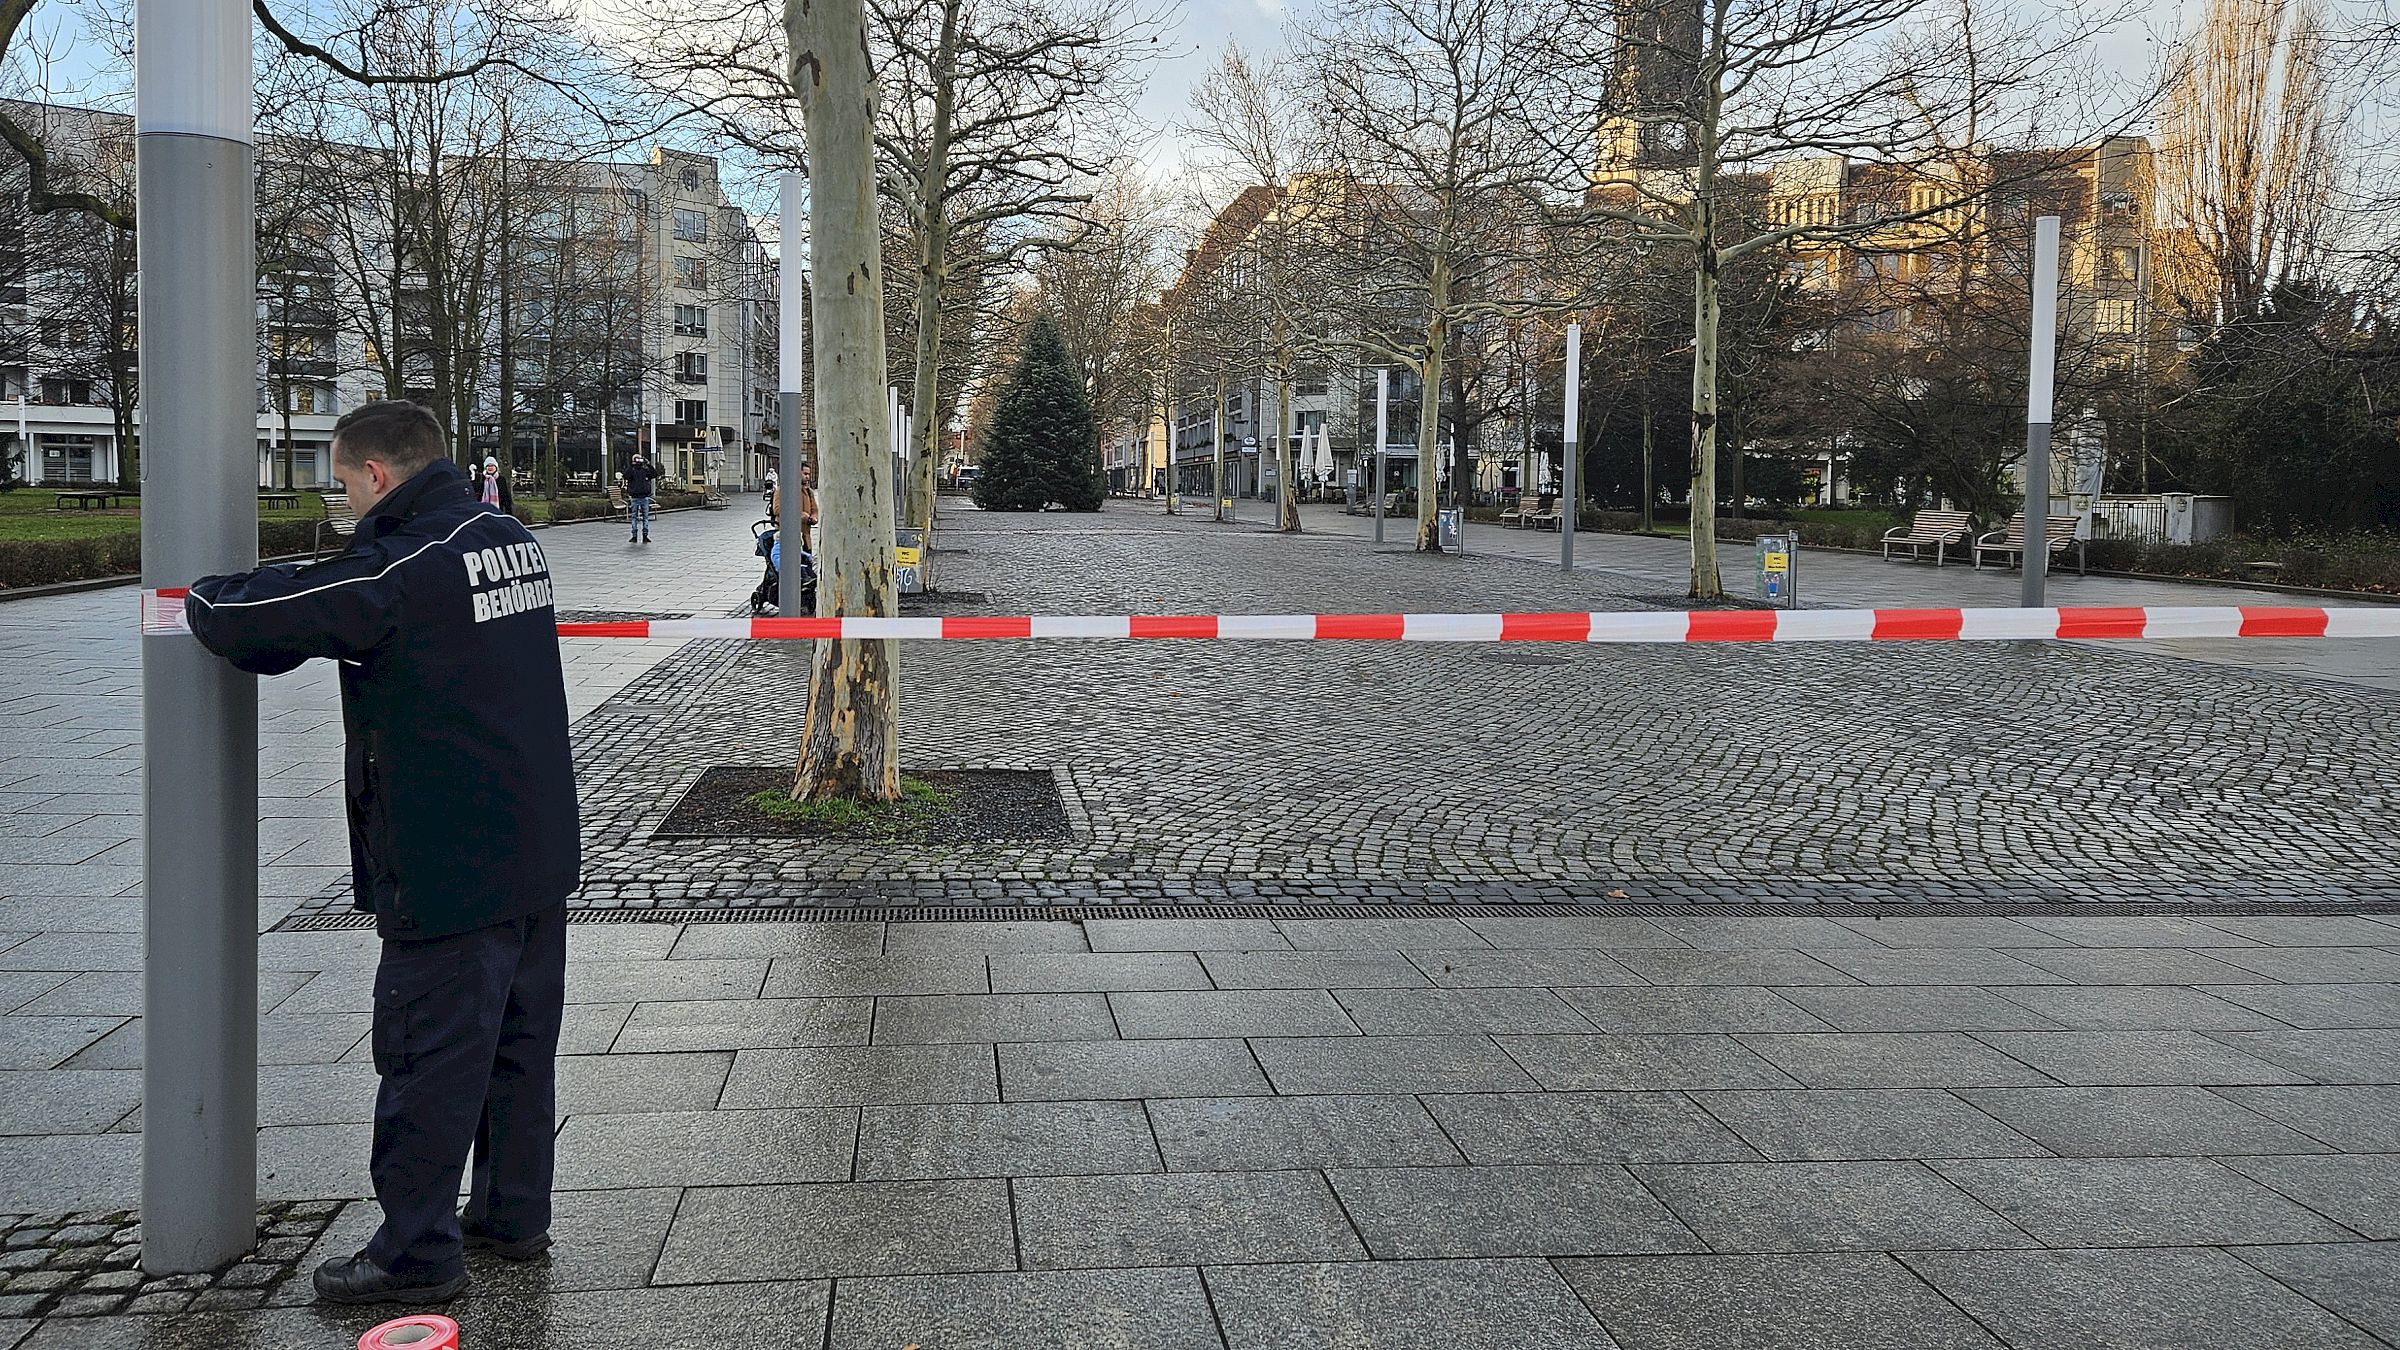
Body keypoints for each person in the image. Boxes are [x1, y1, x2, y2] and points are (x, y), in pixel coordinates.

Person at [183, 400, 580, 1306]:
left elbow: (275, 618)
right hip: (534, 845)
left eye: (342, 482)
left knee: (427, 1061)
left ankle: (415, 1256)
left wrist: (197, 594)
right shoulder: (503, 532)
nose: (343, 501)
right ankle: (513, 1216)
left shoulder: (411, 558)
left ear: (376, 475)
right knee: (517, 1048)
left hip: (448, 857)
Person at [623, 451, 658, 543]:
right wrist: (632, 466)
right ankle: (635, 535)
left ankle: (644, 535)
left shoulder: (645, 471)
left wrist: (648, 464)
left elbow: (654, 474)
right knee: (636, 517)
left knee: (643, 517)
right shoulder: (632, 471)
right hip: (636, 497)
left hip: (643, 497)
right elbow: (625, 476)